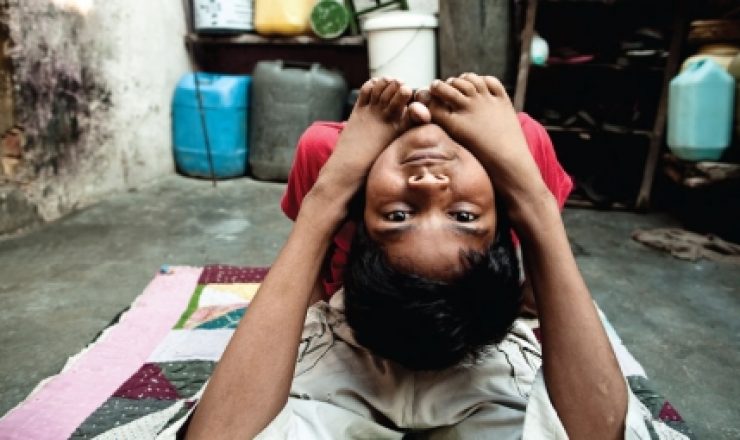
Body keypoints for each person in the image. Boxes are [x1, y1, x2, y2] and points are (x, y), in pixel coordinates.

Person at [185, 74, 672, 439]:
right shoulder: (327, 152)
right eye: (463, 216)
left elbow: (537, 301)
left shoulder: (519, 148)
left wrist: (532, 198)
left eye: (399, 216)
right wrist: (328, 193)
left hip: (476, 356)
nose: (429, 183)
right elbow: (313, 289)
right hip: (355, 334)